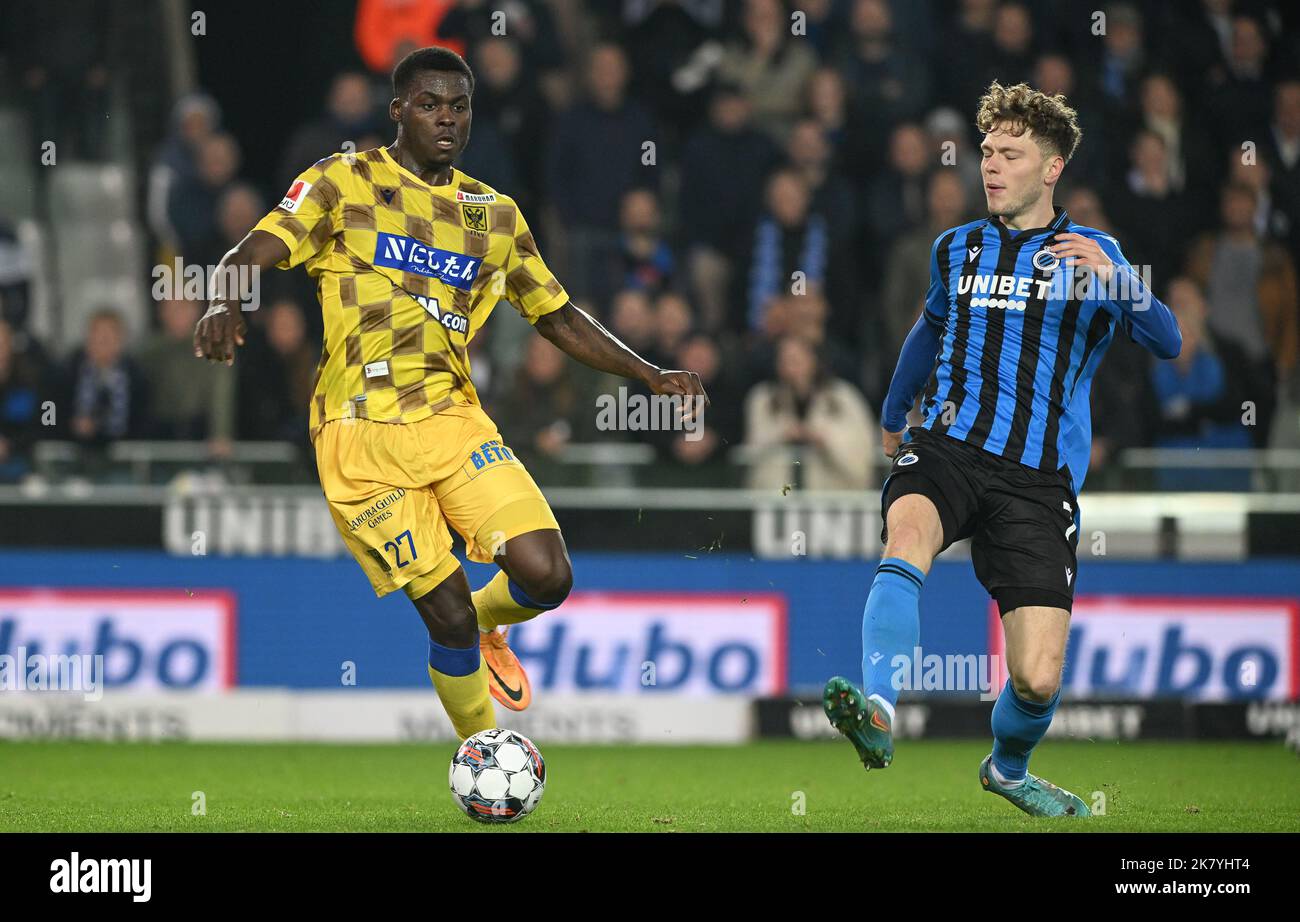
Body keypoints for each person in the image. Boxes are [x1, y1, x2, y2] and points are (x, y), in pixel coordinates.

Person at [193, 48, 707, 740]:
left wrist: (647, 373)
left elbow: (553, 313)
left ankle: (494, 629)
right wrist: (223, 301)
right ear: (397, 111)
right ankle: (482, 749)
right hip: (359, 435)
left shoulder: (492, 216)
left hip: (454, 421)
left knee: (548, 575)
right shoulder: (341, 182)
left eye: (459, 106)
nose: (446, 118)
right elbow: (248, 252)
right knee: (448, 613)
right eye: (430, 104)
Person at [823, 82, 1182, 817]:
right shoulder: (955, 248)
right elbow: (926, 333)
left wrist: (1121, 284)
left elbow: (1168, 342)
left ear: (1050, 169)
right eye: (987, 152)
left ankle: (1008, 769)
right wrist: (895, 414)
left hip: (1036, 481)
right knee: (909, 533)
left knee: (1038, 680)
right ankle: (880, 709)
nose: (990, 166)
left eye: (1010, 155)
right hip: (949, 444)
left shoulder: (1093, 254)